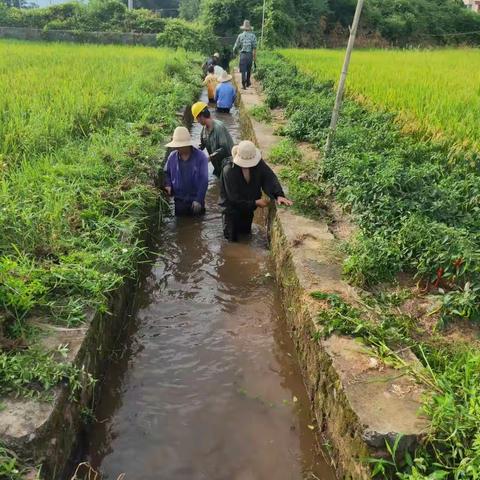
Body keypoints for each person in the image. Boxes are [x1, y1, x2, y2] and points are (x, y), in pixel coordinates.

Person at [220, 141, 293, 241]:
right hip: (231, 212)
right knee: (232, 242)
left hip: (248, 209)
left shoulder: (258, 164)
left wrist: (278, 194)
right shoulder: (229, 171)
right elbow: (233, 199)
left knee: (246, 236)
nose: (248, 166)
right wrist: (255, 203)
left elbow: (269, 177)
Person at [164, 126, 209, 216]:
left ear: (188, 144)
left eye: (181, 146)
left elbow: (204, 181)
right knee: (180, 226)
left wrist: (199, 200)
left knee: (197, 226)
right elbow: (167, 173)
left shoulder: (201, 157)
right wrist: (168, 185)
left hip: (196, 202)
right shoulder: (172, 157)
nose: (178, 148)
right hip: (179, 201)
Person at [191, 101, 234, 177]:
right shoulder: (204, 131)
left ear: (200, 116)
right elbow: (202, 145)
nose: (197, 121)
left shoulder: (219, 127)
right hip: (218, 166)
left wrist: (210, 158)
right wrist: (192, 151)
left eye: (197, 119)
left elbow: (224, 148)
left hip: (229, 165)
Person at [233, 20, 257, 90]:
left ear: (243, 28)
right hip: (249, 55)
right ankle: (248, 82)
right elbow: (254, 47)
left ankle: (243, 82)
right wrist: (254, 58)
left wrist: (234, 52)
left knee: (243, 70)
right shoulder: (253, 36)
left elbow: (235, 46)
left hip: (242, 55)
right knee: (249, 69)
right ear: (249, 28)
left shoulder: (240, 36)